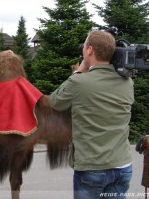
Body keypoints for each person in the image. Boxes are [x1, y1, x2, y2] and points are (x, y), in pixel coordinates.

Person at [49, 30, 134, 198]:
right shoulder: (128, 83)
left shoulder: (79, 82)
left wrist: (80, 69)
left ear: (89, 50)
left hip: (92, 168)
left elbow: (55, 102)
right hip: (122, 166)